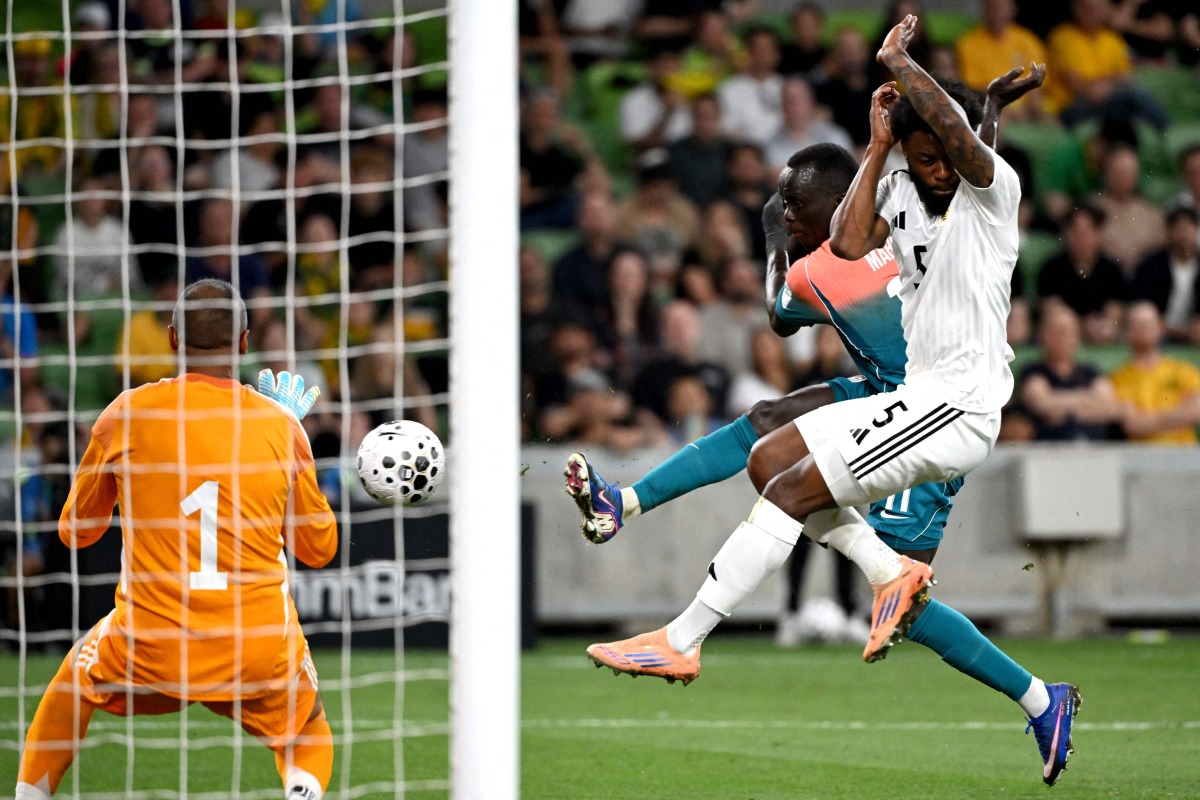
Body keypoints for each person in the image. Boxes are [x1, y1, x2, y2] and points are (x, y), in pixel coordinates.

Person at [572, 21, 1079, 785]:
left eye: (788, 204)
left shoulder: (983, 193)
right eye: (921, 158)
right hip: (908, 398)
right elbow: (857, 232)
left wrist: (905, 67)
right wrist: (892, 140)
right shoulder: (899, 197)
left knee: (833, 529)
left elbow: (962, 161)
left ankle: (684, 636)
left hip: (953, 408)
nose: (936, 168)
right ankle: (1036, 694)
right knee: (770, 453)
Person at [15, 280, 334, 800]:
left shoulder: (126, 413)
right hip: (254, 649)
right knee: (309, 733)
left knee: (73, 681)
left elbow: (77, 532)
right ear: (245, 343)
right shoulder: (280, 427)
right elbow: (318, 551)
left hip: (151, 647)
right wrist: (292, 442)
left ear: (171, 338)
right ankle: (301, 792)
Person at [1018, 303, 1120, 440]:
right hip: (1047, 448)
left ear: (1077, 337)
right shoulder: (1033, 372)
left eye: (1067, 332)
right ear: (1042, 335)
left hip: (1093, 447)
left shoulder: (1091, 373)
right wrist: (1085, 400)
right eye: (1056, 332)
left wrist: (1060, 404)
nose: (1061, 339)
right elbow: (1043, 406)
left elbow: (1109, 408)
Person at [1110, 300, 1200, 444]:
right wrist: (1179, 415)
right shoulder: (1118, 378)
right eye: (1137, 324)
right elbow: (1133, 425)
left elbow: (1196, 411)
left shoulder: (1184, 371)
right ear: (1127, 332)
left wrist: (1149, 421)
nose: (1143, 329)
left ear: (1160, 328)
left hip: (1184, 452)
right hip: (1141, 455)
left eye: (1148, 324)